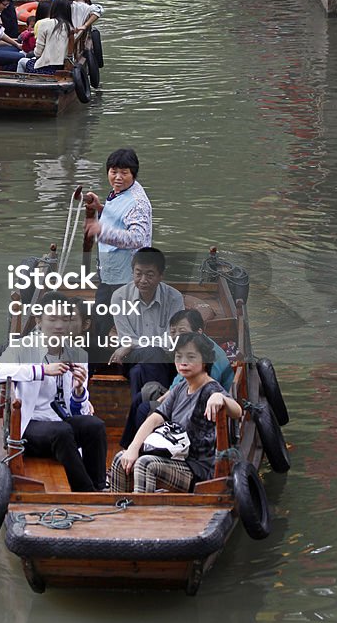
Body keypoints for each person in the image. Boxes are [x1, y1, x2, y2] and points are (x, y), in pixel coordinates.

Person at [0, 300, 107, 492]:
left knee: (95, 426)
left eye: (66, 320)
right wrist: (42, 370)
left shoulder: (78, 354)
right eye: (52, 319)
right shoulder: (24, 347)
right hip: (30, 426)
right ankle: (86, 492)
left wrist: (79, 391)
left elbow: (79, 410)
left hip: (61, 422)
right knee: (62, 431)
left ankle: (100, 486)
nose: (59, 326)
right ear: (39, 321)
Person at [109, 332, 242, 493]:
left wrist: (221, 397)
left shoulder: (211, 388)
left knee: (146, 464)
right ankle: (120, 513)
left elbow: (237, 411)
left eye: (191, 357)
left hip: (197, 468)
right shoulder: (180, 388)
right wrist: (133, 448)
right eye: (179, 357)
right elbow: (154, 419)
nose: (183, 362)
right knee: (120, 459)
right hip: (172, 456)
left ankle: (142, 516)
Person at [120, 307, 235, 448]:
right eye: (173, 332)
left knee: (145, 408)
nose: (176, 336)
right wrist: (166, 396)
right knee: (142, 395)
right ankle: (128, 446)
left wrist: (167, 401)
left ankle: (140, 450)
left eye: (182, 331)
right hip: (179, 393)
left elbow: (201, 391)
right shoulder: (188, 349)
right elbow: (181, 381)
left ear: (198, 332)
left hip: (197, 405)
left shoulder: (210, 355)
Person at [85, 148, 153, 324]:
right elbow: (119, 217)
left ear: (134, 174)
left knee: (111, 321)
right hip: (111, 271)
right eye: (113, 172)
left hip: (126, 276)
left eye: (124, 173)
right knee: (104, 316)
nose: (117, 177)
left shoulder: (137, 203)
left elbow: (137, 238)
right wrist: (100, 208)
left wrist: (101, 231)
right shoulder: (119, 191)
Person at [108, 247, 185, 396]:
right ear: (132, 273)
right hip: (132, 358)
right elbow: (126, 338)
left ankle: (146, 410)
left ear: (161, 275)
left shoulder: (174, 298)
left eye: (150, 275)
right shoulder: (119, 297)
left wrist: (130, 344)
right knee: (151, 354)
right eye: (138, 274)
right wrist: (130, 344)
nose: (143, 280)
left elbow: (171, 341)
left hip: (165, 359)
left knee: (139, 371)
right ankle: (160, 407)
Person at [16, 0, 73, 75]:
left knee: (21, 61)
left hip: (47, 69)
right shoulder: (70, 26)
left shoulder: (44, 23)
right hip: (62, 66)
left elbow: (38, 53)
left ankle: (21, 85)